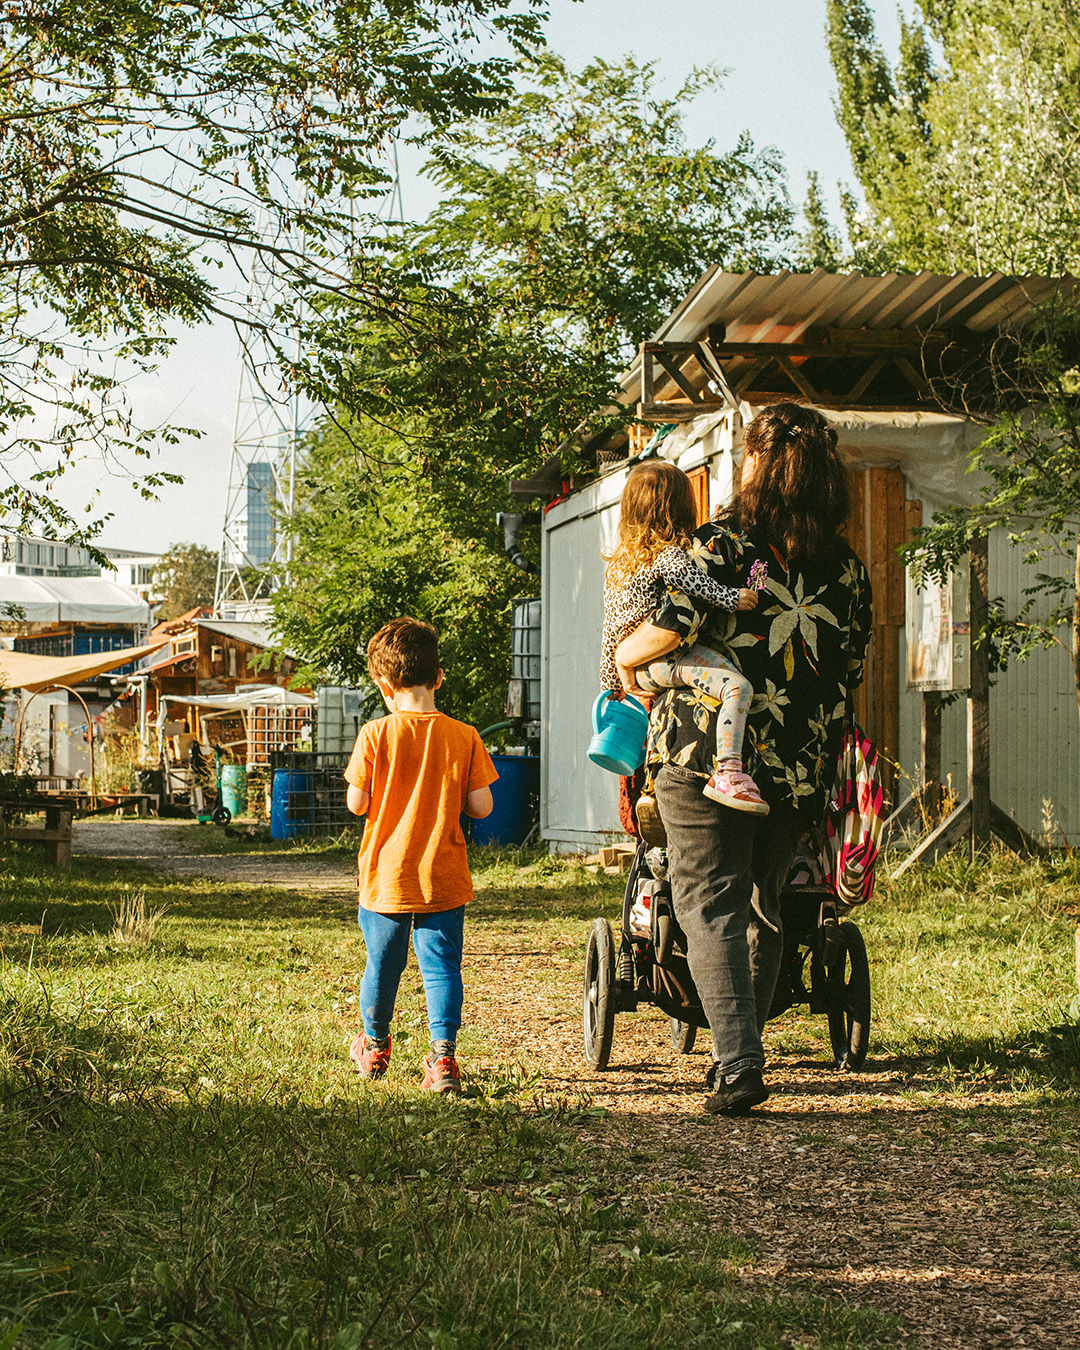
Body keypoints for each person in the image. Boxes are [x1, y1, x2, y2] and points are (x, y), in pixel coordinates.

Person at [615, 404, 872, 1117]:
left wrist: (622, 654)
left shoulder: (725, 548)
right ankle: (742, 1050)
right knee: (761, 906)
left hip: (705, 755)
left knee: (707, 901)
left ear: (756, 464)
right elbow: (850, 666)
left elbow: (670, 630)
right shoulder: (845, 570)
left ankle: (739, 1065)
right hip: (796, 766)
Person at [344, 617, 498, 1094]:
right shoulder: (464, 735)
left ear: (384, 685)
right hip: (443, 875)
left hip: (386, 878)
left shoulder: (375, 734)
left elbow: (356, 803)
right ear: (440, 677)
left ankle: (373, 1047)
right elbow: (482, 806)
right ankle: (445, 1060)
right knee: (441, 966)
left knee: (382, 965)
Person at [600, 460, 768, 814]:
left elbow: (610, 629)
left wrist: (613, 681)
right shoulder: (669, 555)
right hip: (664, 657)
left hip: (638, 666)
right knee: (737, 687)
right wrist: (732, 598)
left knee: (663, 716)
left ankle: (649, 794)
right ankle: (730, 772)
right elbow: (695, 584)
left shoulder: (620, 563)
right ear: (681, 507)